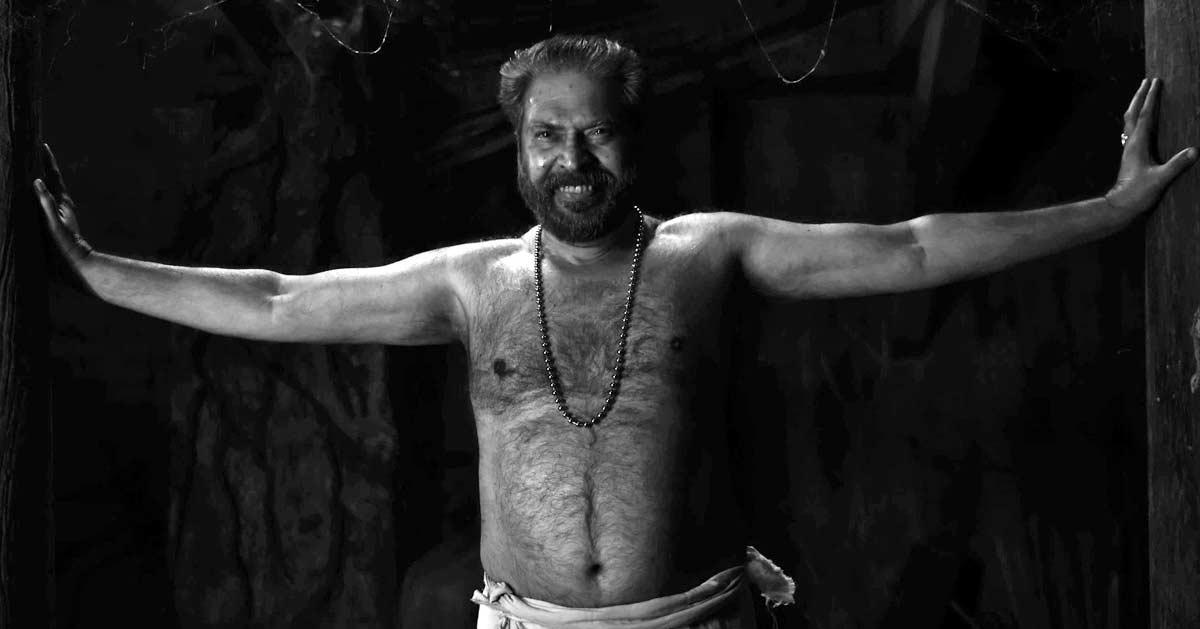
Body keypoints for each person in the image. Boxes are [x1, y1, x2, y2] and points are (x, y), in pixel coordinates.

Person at [34, 35, 1195, 629]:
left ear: (633, 138)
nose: (573, 160)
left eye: (595, 133)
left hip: (698, 615)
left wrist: (1108, 208)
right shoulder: (469, 282)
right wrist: (96, 271)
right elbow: (277, 300)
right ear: (519, 144)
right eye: (548, 136)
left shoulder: (709, 253)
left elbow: (912, 248)